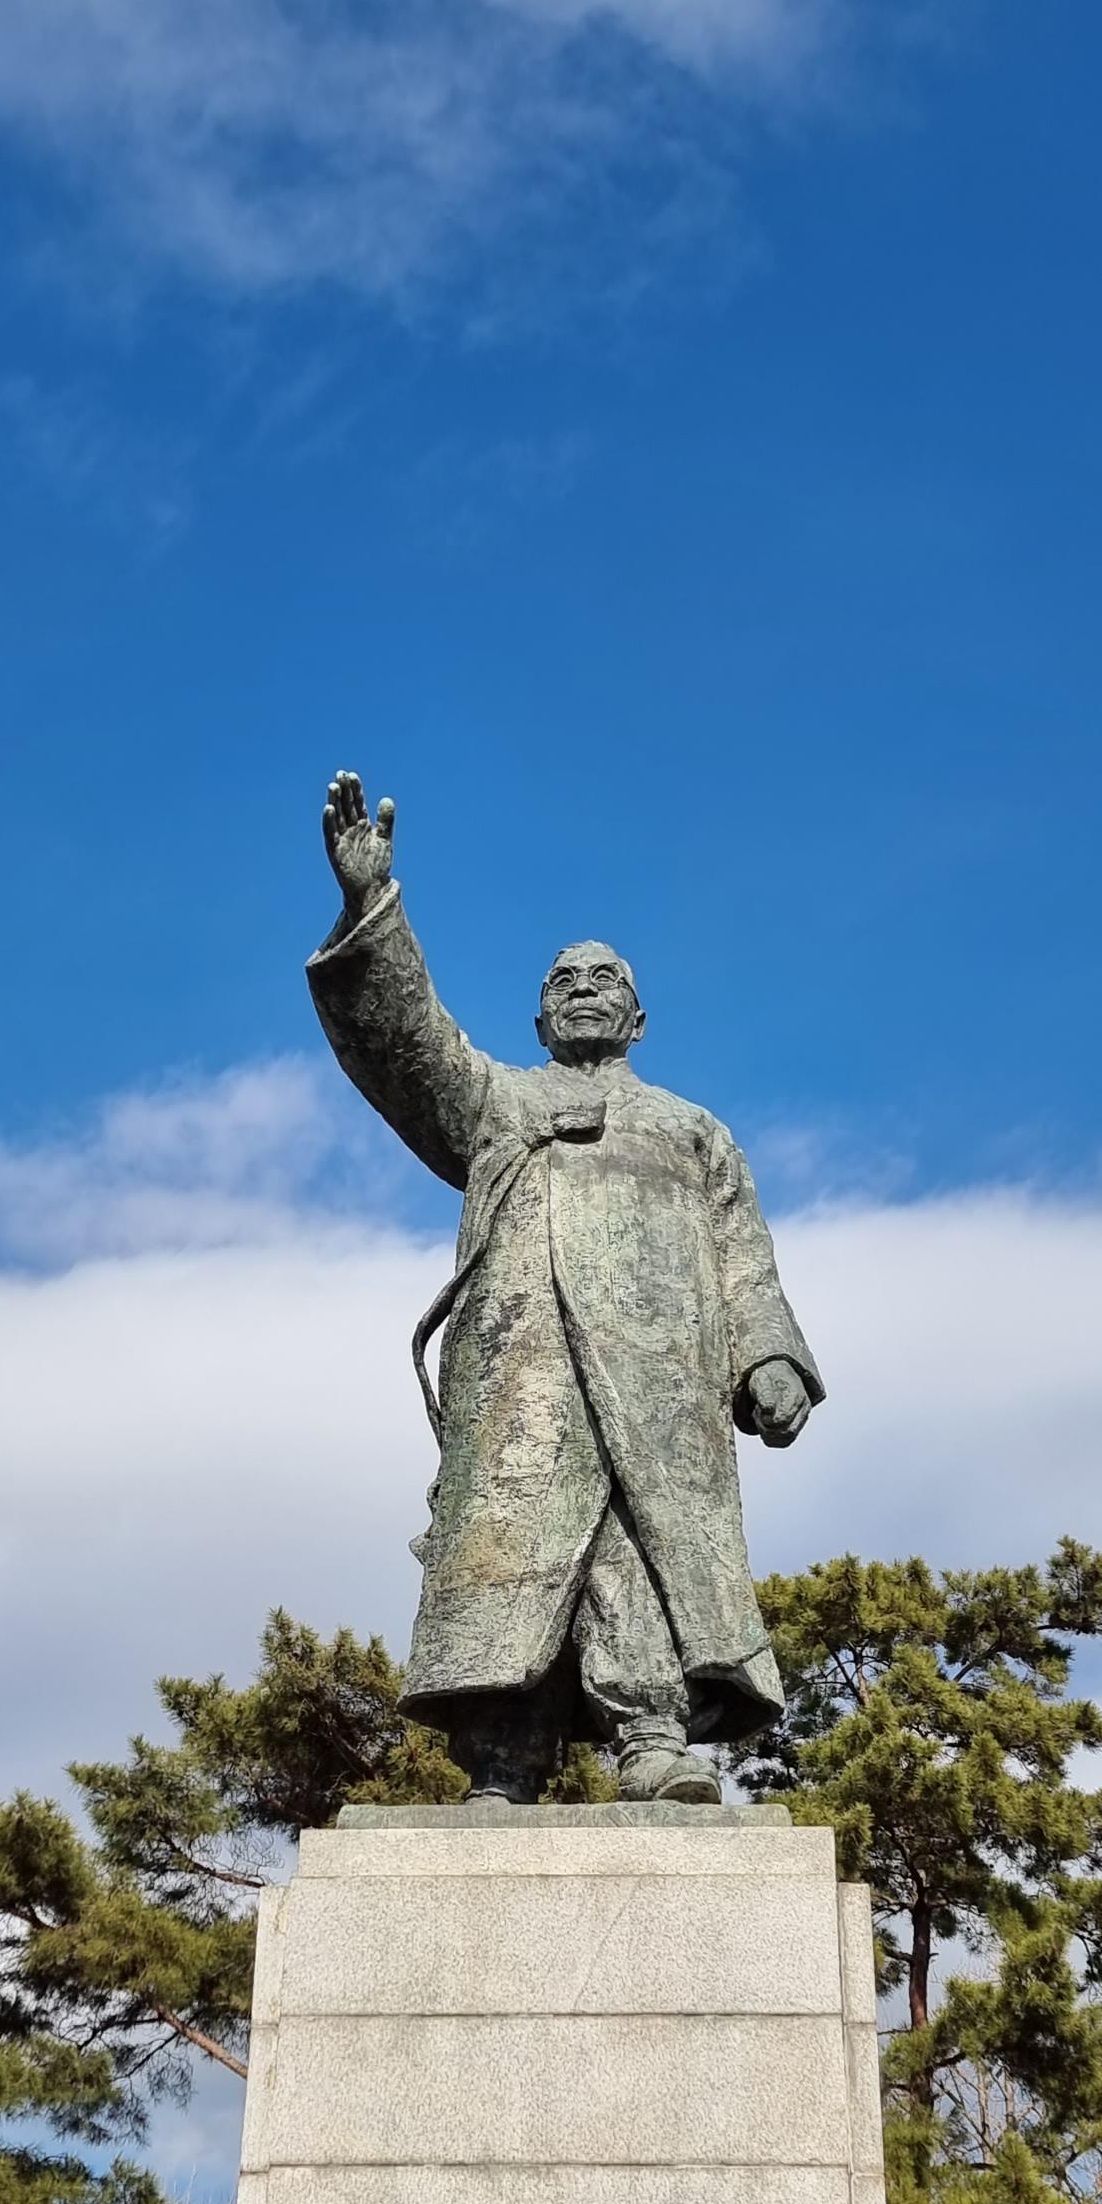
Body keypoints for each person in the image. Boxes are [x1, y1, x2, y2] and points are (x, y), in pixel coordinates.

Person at [307, 770, 822, 1803]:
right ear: (541, 1021)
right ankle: (501, 1756)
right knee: (514, 1547)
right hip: (526, 1370)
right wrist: (371, 904)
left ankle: (652, 1736)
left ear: (638, 1017)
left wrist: (769, 1356)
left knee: (641, 1544)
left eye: (603, 978)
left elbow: (742, 1253)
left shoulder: (693, 1131)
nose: (582, 987)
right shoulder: (500, 1102)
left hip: (661, 1380)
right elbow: (410, 1046)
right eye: (562, 980)